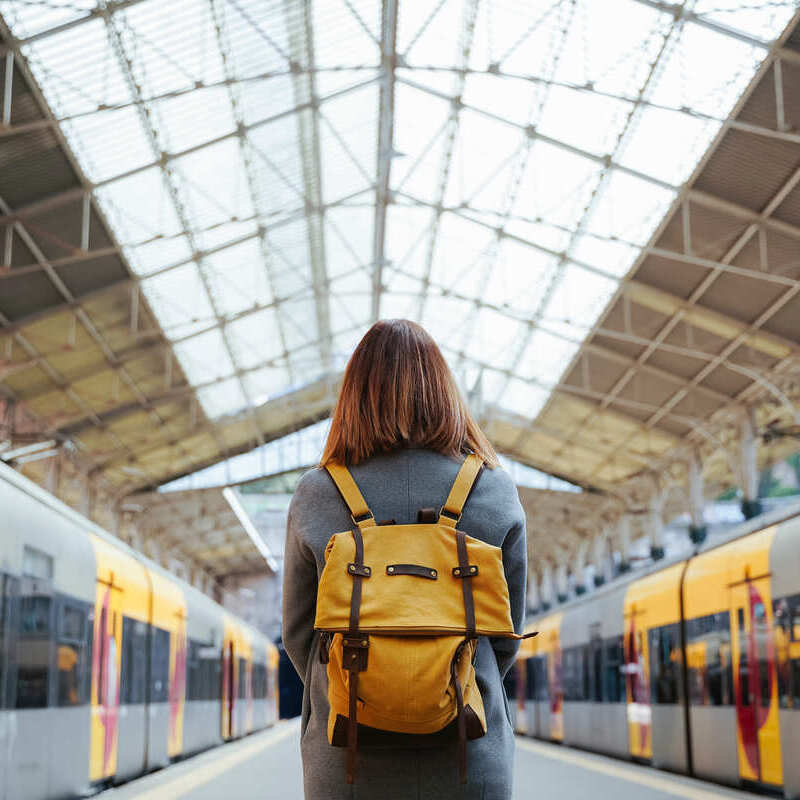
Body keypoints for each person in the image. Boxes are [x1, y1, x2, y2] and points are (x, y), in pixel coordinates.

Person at [282, 319, 527, 799]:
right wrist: (443, 680)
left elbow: (299, 634)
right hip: (469, 750)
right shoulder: (493, 489)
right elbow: (507, 632)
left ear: (355, 394)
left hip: (347, 756)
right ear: (443, 391)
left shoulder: (318, 492)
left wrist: (372, 687)